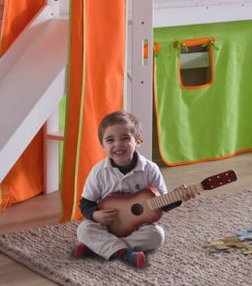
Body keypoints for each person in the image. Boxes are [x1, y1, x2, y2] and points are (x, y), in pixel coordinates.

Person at [73, 109, 195, 268]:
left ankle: (100, 247)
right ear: (102, 146)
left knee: (157, 235)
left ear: (137, 142)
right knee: (84, 229)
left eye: (125, 138)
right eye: (110, 140)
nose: (118, 144)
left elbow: (161, 203)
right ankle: (125, 253)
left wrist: (177, 197)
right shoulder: (98, 172)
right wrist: (96, 215)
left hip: (138, 226)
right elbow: (85, 203)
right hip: (107, 226)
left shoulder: (150, 169)